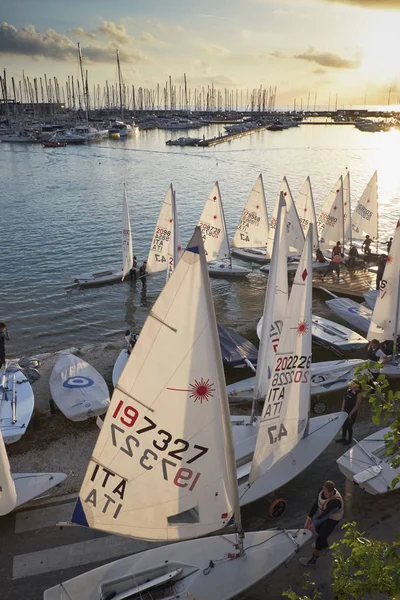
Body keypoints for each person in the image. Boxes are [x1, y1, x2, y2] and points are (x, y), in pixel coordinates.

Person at [299, 480, 344, 566]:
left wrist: (312, 525)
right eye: (327, 492)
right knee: (318, 528)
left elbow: (325, 515)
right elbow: (316, 504)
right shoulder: (321, 491)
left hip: (332, 519)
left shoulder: (335, 501)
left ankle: (312, 560)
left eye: (330, 492)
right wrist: (308, 519)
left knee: (321, 537)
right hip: (325, 515)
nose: (329, 495)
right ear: (323, 489)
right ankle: (324, 545)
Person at [336, 380, 362, 445]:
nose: (350, 386)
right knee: (344, 426)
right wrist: (342, 408)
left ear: (356, 387)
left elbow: (357, 405)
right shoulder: (349, 390)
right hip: (345, 410)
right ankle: (343, 438)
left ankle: (349, 440)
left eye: (352, 385)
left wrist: (351, 413)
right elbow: (344, 399)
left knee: (349, 426)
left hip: (352, 412)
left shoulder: (359, 394)